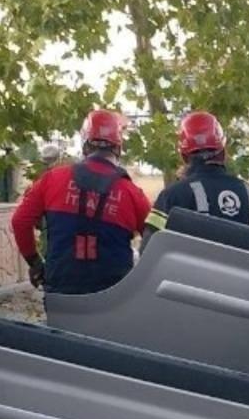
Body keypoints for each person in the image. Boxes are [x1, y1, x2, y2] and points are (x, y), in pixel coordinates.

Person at [11, 109, 150, 295]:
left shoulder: (52, 179)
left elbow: (20, 221)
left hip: (60, 291)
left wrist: (35, 263)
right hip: (114, 296)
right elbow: (154, 241)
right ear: (118, 148)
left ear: (85, 146)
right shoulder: (132, 194)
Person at [142, 112, 249, 243]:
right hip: (241, 264)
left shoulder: (173, 196)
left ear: (183, 156)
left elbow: (149, 248)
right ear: (223, 152)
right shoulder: (246, 191)